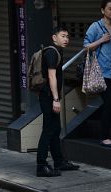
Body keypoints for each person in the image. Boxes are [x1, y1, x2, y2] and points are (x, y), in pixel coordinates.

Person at [35, 25, 79, 178]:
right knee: (48, 130)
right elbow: (52, 77)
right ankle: (41, 166)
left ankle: (59, 162)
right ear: (54, 38)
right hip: (48, 97)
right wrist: (56, 99)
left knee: (55, 129)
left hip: (49, 96)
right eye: (62, 36)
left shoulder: (56, 51)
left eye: (67, 36)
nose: (66, 39)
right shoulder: (52, 53)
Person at [83, 0, 111, 146]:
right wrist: (101, 40)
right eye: (110, 9)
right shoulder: (96, 27)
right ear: (102, 10)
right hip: (101, 73)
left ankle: (106, 135)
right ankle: (104, 136)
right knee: (109, 104)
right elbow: (86, 47)